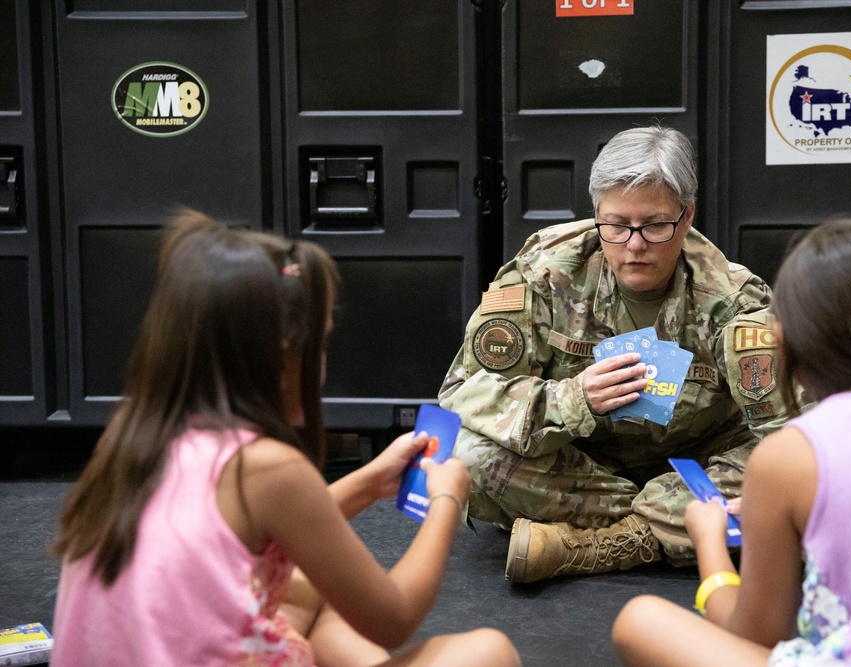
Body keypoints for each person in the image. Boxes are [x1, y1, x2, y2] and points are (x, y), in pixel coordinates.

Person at [51, 210, 521, 667]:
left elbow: (253, 529)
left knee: (312, 586)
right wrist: (445, 499)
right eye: (317, 345)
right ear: (279, 356)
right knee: (489, 653)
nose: (321, 365)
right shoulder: (269, 467)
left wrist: (370, 481)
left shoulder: (131, 429)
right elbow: (394, 618)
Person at [611, 218, 851, 666]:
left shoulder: (791, 455)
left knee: (639, 621)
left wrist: (708, 540)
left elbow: (755, 634)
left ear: (788, 339)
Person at [438, 125, 803, 583]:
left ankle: (604, 544)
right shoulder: (544, 273)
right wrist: (572, 399)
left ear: (687, 217)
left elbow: (798, 439)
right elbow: (462, 396)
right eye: (616, 225)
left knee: (789, 477)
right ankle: (671, 531)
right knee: (462, 452)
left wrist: (771, 492)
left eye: (654, 225)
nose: (634, 245)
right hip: (582, 473)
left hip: (694, 473)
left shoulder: (733, 302)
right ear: (596, 214)